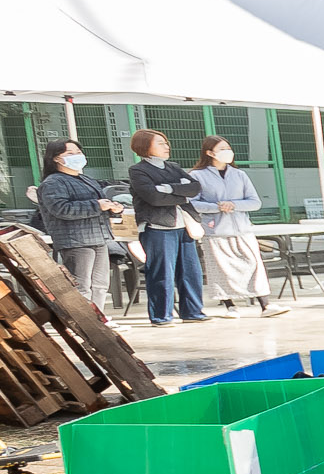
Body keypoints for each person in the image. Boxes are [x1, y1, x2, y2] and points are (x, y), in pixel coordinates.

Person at [188, 135, 283, 318]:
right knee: (221, 269)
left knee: (254, 264)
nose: (228, 153)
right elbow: (192, 204)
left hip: (242, 229)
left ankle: (266, 305)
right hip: (215, 230)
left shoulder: (239, 175)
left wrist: (233, 204)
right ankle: (230, 306)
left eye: (228, 148)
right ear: (210, 153)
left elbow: (255, 202)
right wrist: (217, 206)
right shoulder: (197, 176)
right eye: (222, 149)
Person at [126, 128, 206, 326]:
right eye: (160, 143)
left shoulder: (173, 167)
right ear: (145, 146)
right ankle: (161, 315)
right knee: (162, 272)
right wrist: (180, 191)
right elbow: (153, 197)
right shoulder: (138, 170)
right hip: (157, 226)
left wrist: (168, 188)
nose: (166, 146)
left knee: (190, 271)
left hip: (184, 225)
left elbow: (194, 188)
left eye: (165, 142)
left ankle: (192, 311)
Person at [34, 137, 123, 311]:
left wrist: (112, 208)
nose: (77, 156)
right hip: (75, 240)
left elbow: (98, 204)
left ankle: (99, 320)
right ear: (56, 158)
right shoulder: (53, 182)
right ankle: (84, 322)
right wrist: (97, 205)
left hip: (98, 237)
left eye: (79, 152)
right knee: (82, 285)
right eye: (70, 153)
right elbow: (61, 208)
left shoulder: (85, 179)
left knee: (100, 284)